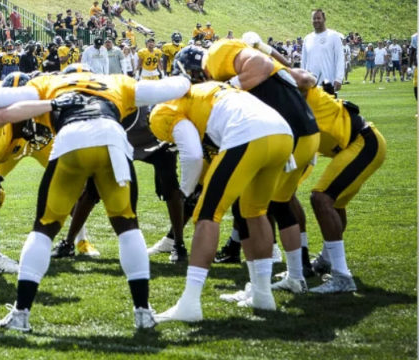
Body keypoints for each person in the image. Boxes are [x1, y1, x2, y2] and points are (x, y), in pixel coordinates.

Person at [0, 72, 192, 331]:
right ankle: (143, 311)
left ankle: (21, 313)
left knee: (44, 228)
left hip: (71, 138)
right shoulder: (115, 82)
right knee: (128, 225)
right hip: (111, 138)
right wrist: (190, 80)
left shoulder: (50, 83)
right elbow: (170, 87)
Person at [151, 47, 294, 322]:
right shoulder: (213, 89)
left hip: (247, 133)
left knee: (207, 214)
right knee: (255, 212)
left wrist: (186, 189)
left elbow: (192, 153)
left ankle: (190, 303)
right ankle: (263, 295)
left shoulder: (166, 109)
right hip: (281, 132)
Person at [206, 34, 320, 288]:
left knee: (251, 207)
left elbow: (261, 64)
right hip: (303, 131)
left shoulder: (220, 54)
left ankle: (261, 285)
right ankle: (297, 273)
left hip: (289, 133)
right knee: (279, 203)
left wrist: (229, 85)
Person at [292, 71, 386, 293]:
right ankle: (327, 260)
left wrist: (267, 54)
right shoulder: (291, 105)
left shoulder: (304, 91)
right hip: (359, 145)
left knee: (321, 198)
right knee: (333, 203)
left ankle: (342, 276)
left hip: (364, 141)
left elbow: (305, 79)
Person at [301, 9, 345, 91]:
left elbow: (340, 58)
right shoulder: (307, 38)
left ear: (324, 19)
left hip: (329, 83)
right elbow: (303, 62)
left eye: (318, 18)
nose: (316, 20)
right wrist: (302, 78)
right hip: (311, 84)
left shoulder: (333, 36)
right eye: (314, 18)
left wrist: (339, 78)